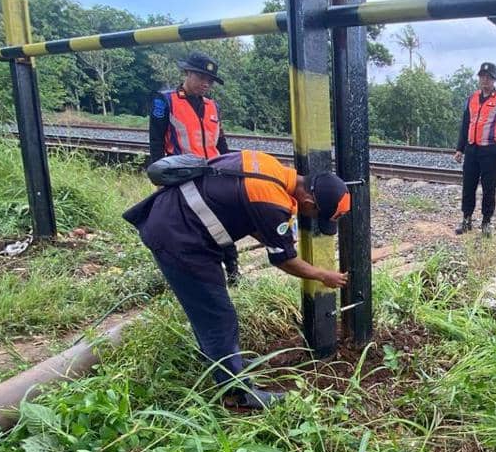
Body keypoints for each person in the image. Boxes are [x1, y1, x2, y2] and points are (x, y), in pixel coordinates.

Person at [123, 149, 351, 410]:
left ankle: (218, 360)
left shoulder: (270, 166)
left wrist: (276, 238)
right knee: (218, 316)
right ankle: (237, 394)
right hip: (179, 237)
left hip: (175, 218)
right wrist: (324, 275)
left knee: (210, 312)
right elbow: (283, 260)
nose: (311, 218)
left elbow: (244, 209)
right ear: (309, 202)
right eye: (315, 215)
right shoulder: (272, 203)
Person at [148, 51, 239, 282]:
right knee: (188, 226)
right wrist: (159, 178)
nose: (206, 84)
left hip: (212, 172)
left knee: (224, 220)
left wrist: (230, 167)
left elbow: (221, 141)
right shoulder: (165, 100)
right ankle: (191, 270)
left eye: (210, 80)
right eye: (201, 78)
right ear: (187, 73)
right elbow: (156, 140)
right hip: (183, 174)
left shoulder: (212, 106)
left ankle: (233, 269)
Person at [453, 61, 496, 237]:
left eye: (489, 77)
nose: (485, 80)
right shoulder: (470, 99)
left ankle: (486, 222)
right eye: (482, 77)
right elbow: (465, 124)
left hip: (490, 151)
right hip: (472, 150)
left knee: (489, 188)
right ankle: (466, 219)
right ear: (479, 78)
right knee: (468, 186)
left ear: (494, 80)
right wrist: (459, 148)